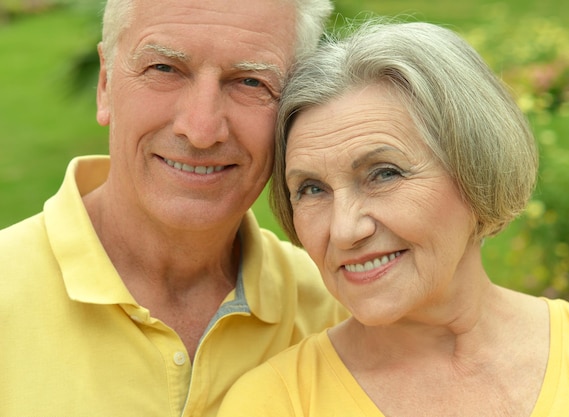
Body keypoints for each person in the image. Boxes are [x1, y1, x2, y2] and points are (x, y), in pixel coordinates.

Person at [217, 21, 569, 416]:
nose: (344, 230)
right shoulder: (274, 403)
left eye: (383, 174)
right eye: (312, 189)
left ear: (476, 171)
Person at [0, 0, 348, 415]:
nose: (201, 130)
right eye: (164, 69)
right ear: (106, 83)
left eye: (251, 82)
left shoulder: (341, 313)